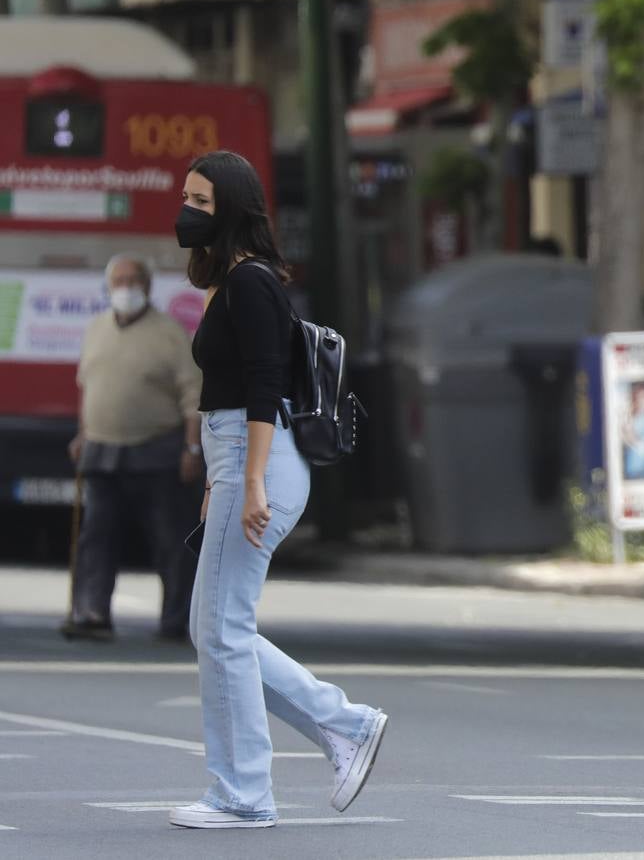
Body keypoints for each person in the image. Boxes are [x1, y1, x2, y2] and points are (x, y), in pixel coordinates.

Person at [168, 150, 388, 830]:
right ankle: (343, 724)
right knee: (213, 626)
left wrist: (250, 480)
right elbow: (230, 390)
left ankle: (244, 795)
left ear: (231, 207)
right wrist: (221, 481)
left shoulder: (253, 283)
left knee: (222, 628)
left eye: (201, 201)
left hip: (255, 457)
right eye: (187, 198)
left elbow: (264, 387)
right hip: (235, 459)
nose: (187, 210)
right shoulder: (231, 282)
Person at [63, 253, 204, 642]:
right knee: (96, 536)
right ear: (108, 288)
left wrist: (192, 450)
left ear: (147, 285)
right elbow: (88, 387)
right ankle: (91, 611)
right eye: (119, 281)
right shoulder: (96, 329)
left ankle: (178, 620)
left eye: (133, 280)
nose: (126, 288)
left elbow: (193, 397)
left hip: (158, 449)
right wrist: (83, 434)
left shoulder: (170, 333)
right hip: (103, 449)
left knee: (171, 538)